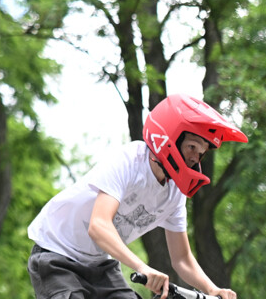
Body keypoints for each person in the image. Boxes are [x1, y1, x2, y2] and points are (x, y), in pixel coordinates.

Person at [27, 94, 248, 299]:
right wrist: (142, 267)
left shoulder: (175, 194)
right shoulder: (130, 161)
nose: (195, 158)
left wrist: (212, 290)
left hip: (99, 265)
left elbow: (182, 259)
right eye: (191, 147)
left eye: (200, 153)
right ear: (166, 137)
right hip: (56, 253)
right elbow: (98, 225)